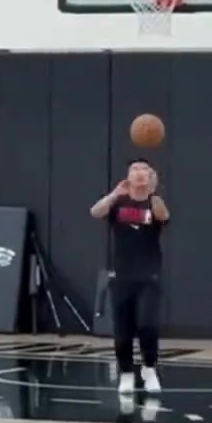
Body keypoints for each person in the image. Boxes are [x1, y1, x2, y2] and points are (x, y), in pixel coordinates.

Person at [90, 158, 169, 395]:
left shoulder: (154, 202)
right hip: (122, 274)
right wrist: (115, 193)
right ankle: (126, 373)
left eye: (144, 169)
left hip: (149, 274)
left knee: (147, 324)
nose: (139, 172)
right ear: (128, 175)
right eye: (135, 169)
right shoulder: (118, 202)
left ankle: (149, 369)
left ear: (150, 175)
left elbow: (164, 216)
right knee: (123, 330)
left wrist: (153, 192)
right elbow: (95, 212)